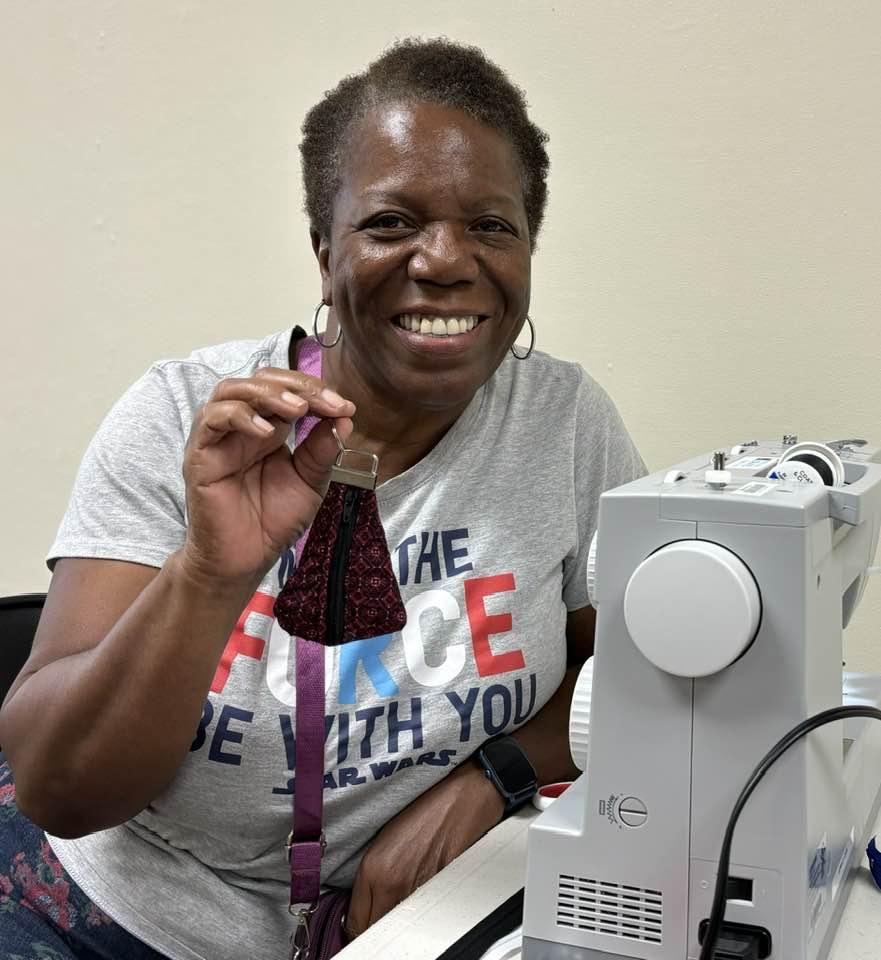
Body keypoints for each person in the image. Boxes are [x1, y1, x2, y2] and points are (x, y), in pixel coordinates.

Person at [0, 37, 645, 960]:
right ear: (323, 250)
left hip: (405, 927)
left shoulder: (564, 423)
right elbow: (60, 790)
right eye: (390, 223)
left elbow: (626, 685)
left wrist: (487, 780)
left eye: (492, 227)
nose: (445, 260)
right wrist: (209, 573)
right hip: (111, 923)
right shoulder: (185, 418)